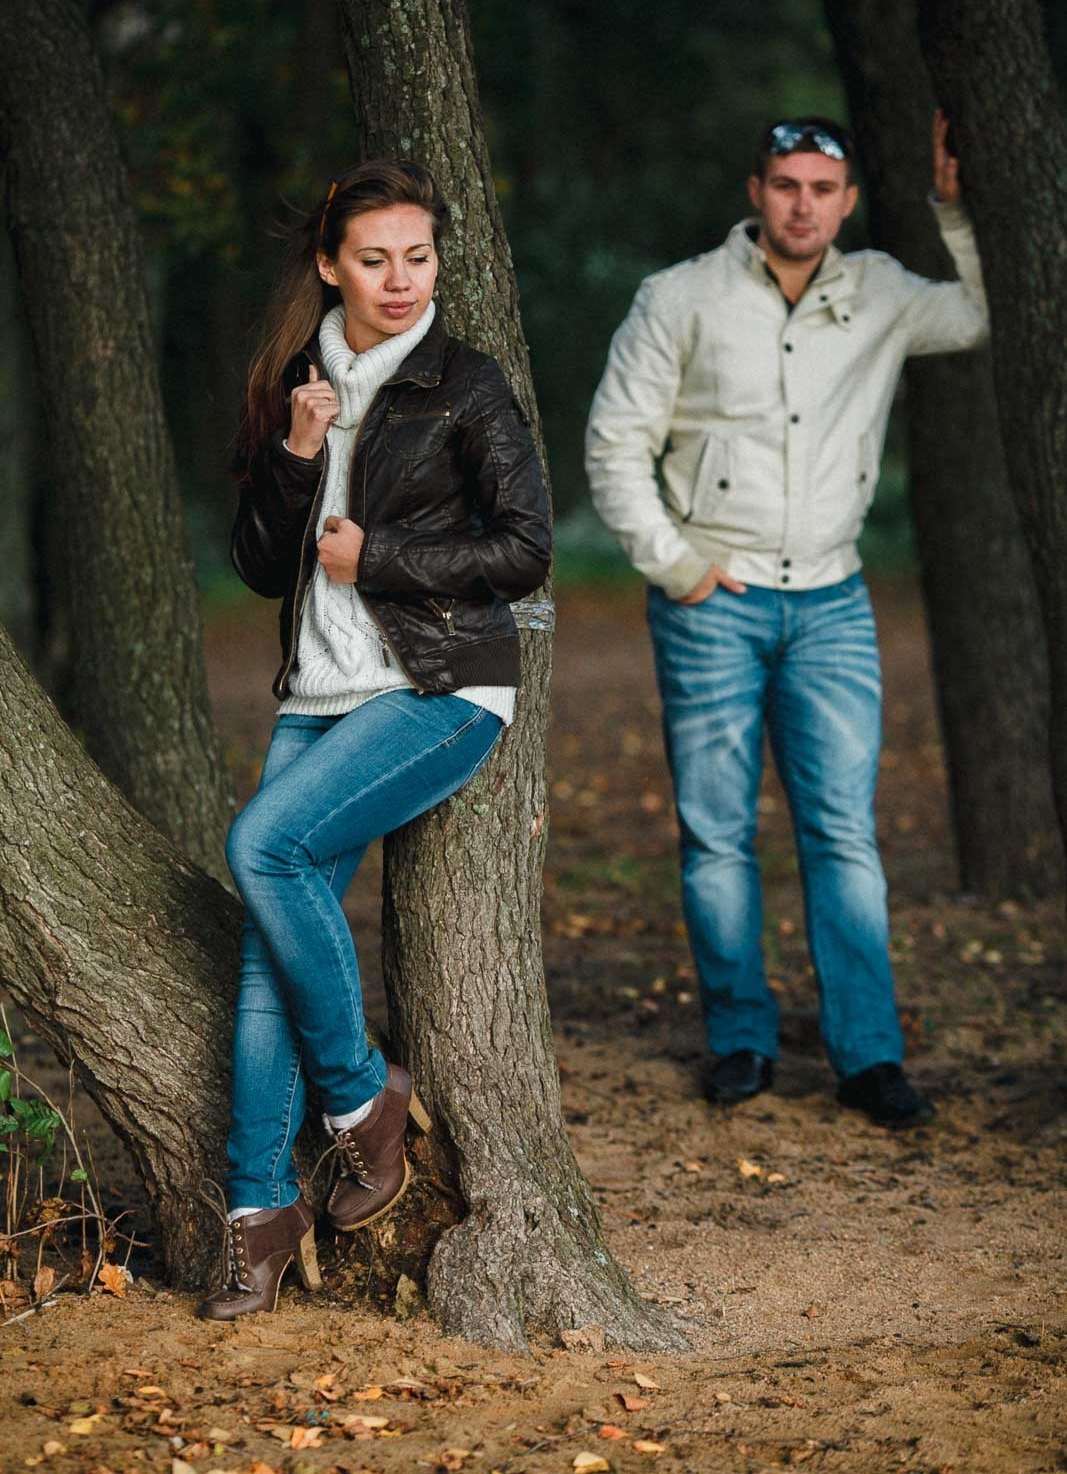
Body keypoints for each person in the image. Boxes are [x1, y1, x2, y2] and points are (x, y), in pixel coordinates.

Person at [199, 160, 551, 1320]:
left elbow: (525, 549)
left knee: (263, 848)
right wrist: (298, 452)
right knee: (266, 949)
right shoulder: (294, 383)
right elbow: (259, 564)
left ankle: (361, 1098)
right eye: (373, 259)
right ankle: (258, 1210)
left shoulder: (465, 383)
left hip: (438, 684)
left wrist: (380, 560)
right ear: (328, 266)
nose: (400, 281)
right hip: (317, 693)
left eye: (417, 256)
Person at [585, 115, 987, 1127]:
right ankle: (740, 1039)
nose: (801, 204)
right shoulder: (679, 297)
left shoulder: (882, 292)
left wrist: (953, 210)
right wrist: (677, 566)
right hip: (711, 604)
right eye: (783, 184)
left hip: (832, 603)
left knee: (842, 832)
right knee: (716, 833)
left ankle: (868, 1057)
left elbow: (984, 312)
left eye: (820, 187)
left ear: (847, 201)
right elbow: (613, 445)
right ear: (754, 192)